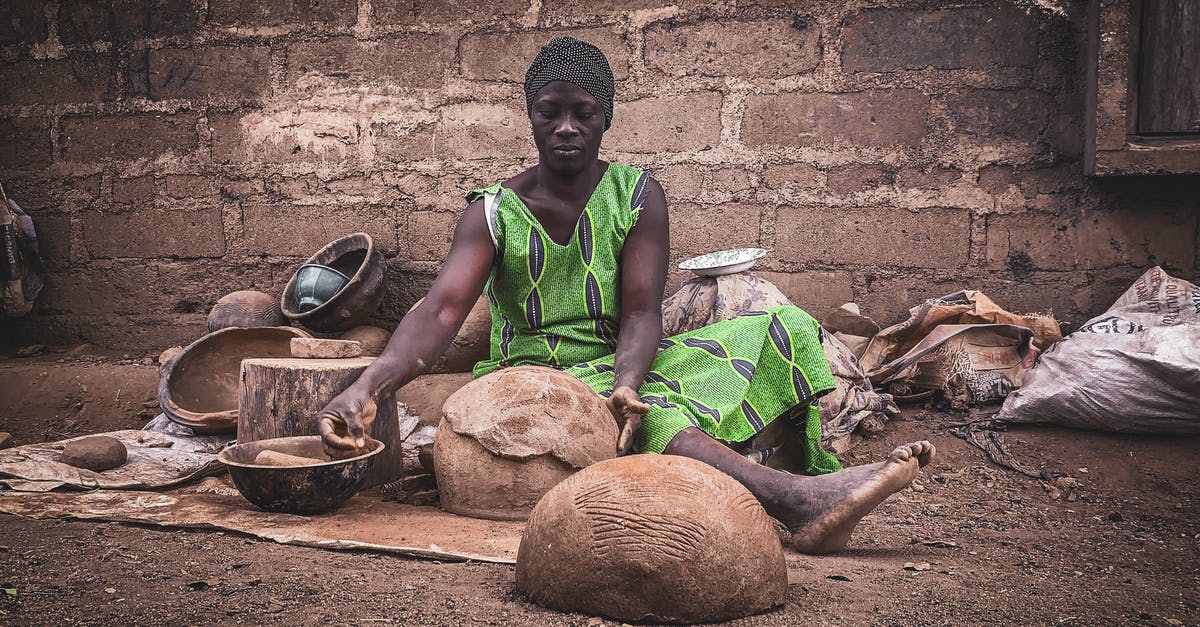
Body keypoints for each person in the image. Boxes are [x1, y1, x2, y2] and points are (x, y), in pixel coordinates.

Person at [317, 37, 934, 554]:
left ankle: (777, 466)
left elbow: (642, 313)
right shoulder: (493, 211)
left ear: (605, 117)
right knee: (660, 418)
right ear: (529, 114)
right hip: (533, 378)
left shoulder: (638, 196)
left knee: (782, 329)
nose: (565, 128)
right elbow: (441, 310)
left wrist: (628, 381)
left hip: (621, 363)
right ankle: (792, 502)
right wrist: (370, 385)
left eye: (582, 113)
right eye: (549, 112)